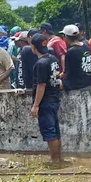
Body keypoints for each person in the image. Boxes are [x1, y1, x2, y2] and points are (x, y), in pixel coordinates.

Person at [29, 33, 63, 165]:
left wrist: (36, 105)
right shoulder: (52, 59)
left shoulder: (41, 63)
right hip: (54, 98)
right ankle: (59, 158)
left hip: (46, 101)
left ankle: (54, 161)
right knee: (55, 131)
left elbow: (41, 85)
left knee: (50, 132)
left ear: (34, 47)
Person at [60, 25, 91, 90]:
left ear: (66, 37)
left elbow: (66, 73)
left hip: (78, 83)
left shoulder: (71, 51)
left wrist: (58, 76)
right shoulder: (86, 46)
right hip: (89, 81)